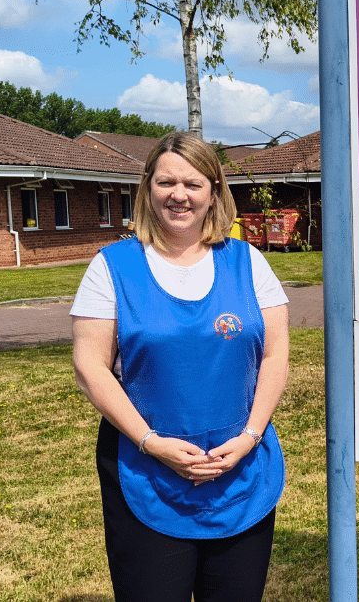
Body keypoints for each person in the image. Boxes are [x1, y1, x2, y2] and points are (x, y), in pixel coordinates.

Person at [71, 131, 289, 602]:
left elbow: (275, 355)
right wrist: (151, 443)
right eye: (166, 182)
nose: (179, 195)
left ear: (214, 190)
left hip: (240, 469)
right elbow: (90, 365)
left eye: (192, 183)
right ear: (148, 187)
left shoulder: (249, 262)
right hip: (145, 469)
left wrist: (250, 436)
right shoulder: (111, 267)